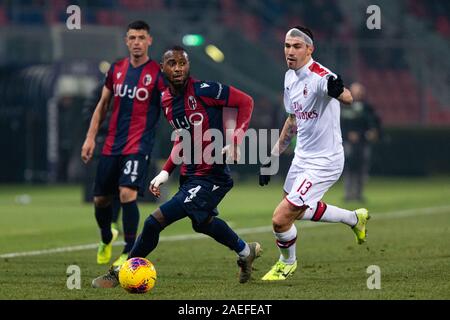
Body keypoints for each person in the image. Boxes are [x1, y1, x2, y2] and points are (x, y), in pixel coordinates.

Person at [91, 45, 262, 288]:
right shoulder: (166, 100)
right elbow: (183, 138)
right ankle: (246, 252)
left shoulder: (206, 90)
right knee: (202, 223)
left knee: (154, 222)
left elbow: (246, 101)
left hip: (213, 176)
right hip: (190, 175)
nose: (178, 68)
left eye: (183, 63)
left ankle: (122, 271)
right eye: (172, 64)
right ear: (163, 68)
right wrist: (164, 171)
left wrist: (235, 140)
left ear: (188, 66)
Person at [258, 26, 370, 281]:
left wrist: (339, 91)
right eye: (287, 46)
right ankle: (354, 218)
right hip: (302, 158)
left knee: (280, 219)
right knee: (298, 210)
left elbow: (348, 97)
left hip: (325, 161)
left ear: (310, 49)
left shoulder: (320, 75)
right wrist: (272, 156)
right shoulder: (289, 77)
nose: (290, 51)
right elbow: (292, 120)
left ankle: (287, 263)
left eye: (297, 46)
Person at [81, 20, 166, 267]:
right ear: (126, 41)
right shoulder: (116, 69)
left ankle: (129, 251)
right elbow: (102, 105)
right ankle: (107, 236)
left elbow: (168, 105)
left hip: (139, 145)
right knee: (101, 200)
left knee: (127, 193)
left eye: (141, 37)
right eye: (132, 38)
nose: (137, 42)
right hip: (110, 145)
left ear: (149, 40)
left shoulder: (157, 75)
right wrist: (89, 138)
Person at [341, 82, 381, 202]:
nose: (358, 93)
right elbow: (339, 124)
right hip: (347, 142)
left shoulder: (367, 107)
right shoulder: (344, 106)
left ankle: (358, 194)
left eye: (360, 91)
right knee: (349, 167)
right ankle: (348, 193)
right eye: (356, 91)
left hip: (363, 142)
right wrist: (348, 134)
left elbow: (374, 122)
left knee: (361, 167)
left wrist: (372, 132)